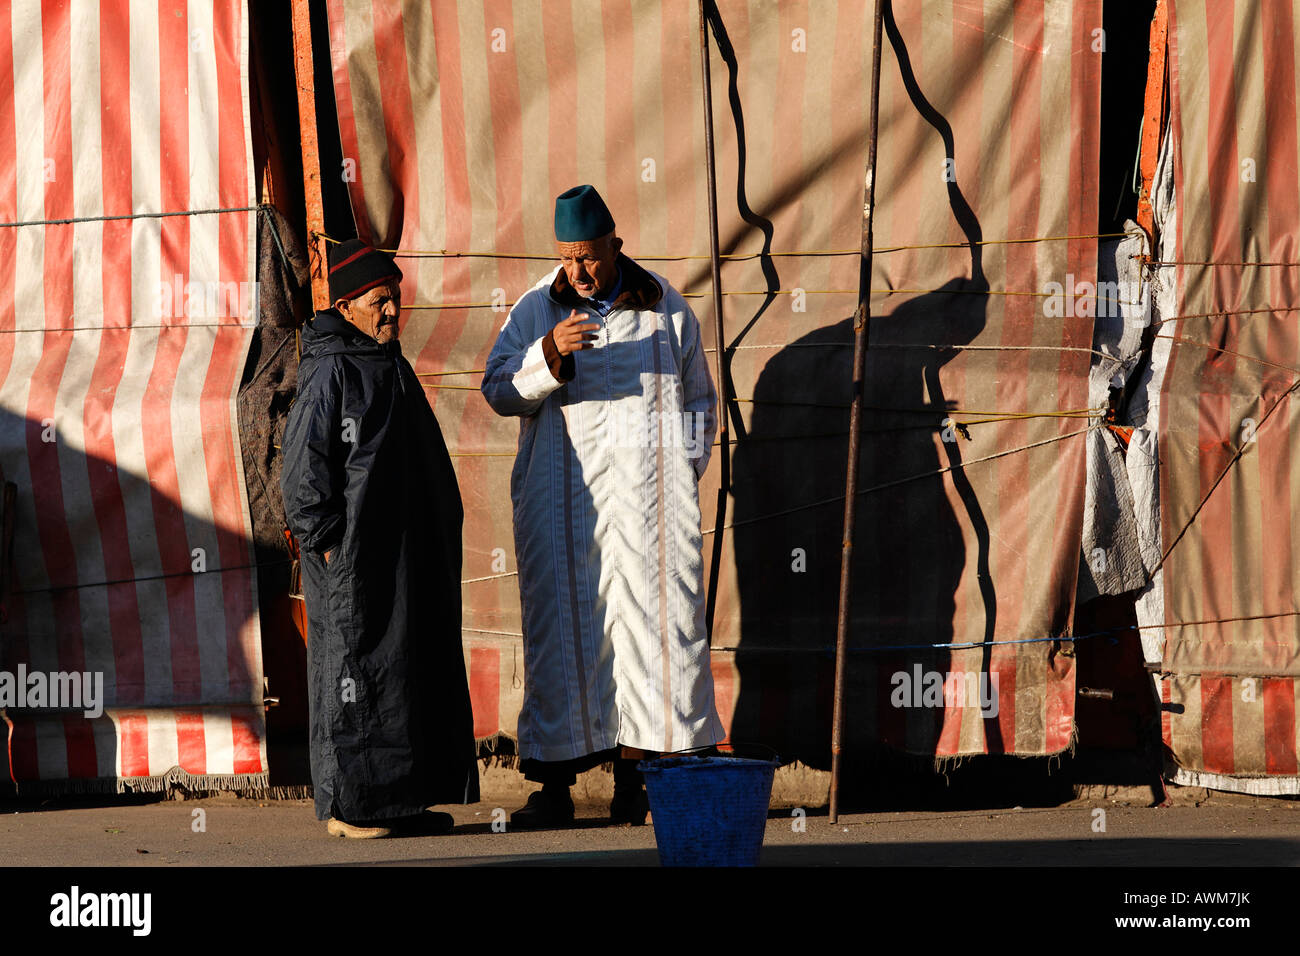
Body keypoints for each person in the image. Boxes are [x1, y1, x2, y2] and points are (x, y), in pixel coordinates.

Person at [482, 185, 725, 828]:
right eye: (567, 257)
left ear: (615, 244)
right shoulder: (538, 309)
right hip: (562, 507)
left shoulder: (665, 309)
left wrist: (675, 475)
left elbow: (701, 404)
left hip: (651, 511)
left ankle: (639, 785)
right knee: (563, 639)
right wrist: (550, 354)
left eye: (589, 255)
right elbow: (499, 390)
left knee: (653, 639)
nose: (579, 270)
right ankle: (555, 790)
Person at [281, 239, 479, 838]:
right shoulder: (331, 370)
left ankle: (401, 801)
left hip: (398, 554)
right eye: (379, 302)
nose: (392, 312)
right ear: (346, 306)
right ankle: (354, 808)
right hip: (354, 559)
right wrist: (329, 544)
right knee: (356, 672)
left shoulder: (383, 359)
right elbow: (303, 473)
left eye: (395, 300)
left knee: (403, 670)